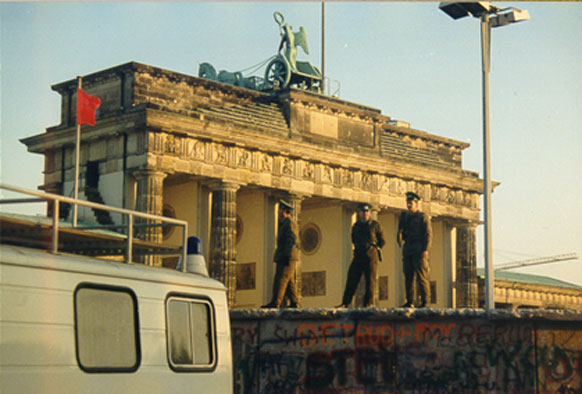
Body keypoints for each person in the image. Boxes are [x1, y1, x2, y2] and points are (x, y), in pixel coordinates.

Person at [336, 203, 385, 308]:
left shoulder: (375, 225)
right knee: (352, 279)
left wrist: (374, 249)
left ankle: (368, 304)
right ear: (359, 213)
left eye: (367, 212)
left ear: (370, 213)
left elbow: (382, 241)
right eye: (362, 212)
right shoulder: (356, 226)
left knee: (370, 281)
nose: (365, 214)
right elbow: (354, 239)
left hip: (371, 256)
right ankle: (345, 302)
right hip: (358, 255)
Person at [261, 199, 300, 308]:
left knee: (281, 279)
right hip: (286, 255)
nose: (277, 213)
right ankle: (294, 302)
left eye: (279, 211)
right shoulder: (285, 224)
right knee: (289, 280)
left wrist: (286, 255)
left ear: (283, 211)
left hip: (287, 256)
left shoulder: (289, 223)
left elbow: (291, 239)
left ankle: (275, 302)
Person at [398, 192, 433, 308]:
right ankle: (410, 301)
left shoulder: (423, 217)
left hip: (419, 248)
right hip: (408, 247)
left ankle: (425, 301)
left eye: (411, 203)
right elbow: (400, 231)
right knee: (408, 276)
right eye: (407, 203)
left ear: (416, 204)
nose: (409, 205)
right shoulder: (404, 217)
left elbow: (428, 234)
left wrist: (426, 249)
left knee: (422, 276)